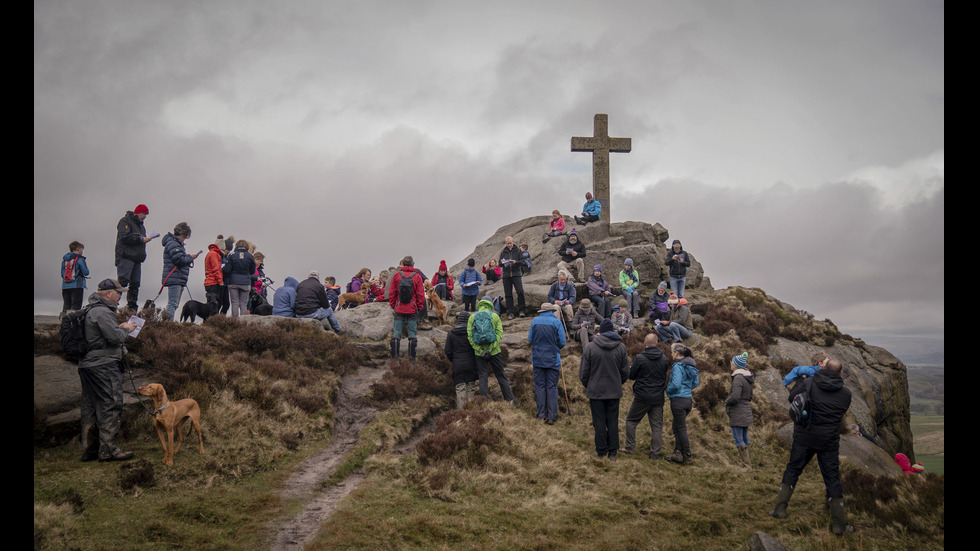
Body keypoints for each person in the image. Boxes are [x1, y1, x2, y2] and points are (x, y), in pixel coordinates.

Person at [770, 359, 854, 536]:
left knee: (793, 469)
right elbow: (839, 413)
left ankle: (779, 509)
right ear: (840, 373)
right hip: (828, 442)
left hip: (804, 436)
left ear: (823, 368)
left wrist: (801, 382)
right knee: (832, 479)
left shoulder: (809, 382)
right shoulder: (846, 394)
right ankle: (839, 525)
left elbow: (792, 398)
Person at [79, 279, 137, 462]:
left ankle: (89, 450)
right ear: (107, 293)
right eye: (118, 292)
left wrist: (117, 329)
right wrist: (126, 329)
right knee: (111, 404)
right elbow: (114, 338)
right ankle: (108, 451)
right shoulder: (103, 311)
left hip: (87, 365)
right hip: (103, 365)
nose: (120, 296)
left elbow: (104, 335)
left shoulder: (90, 310)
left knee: (90, 406)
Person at [579, 319, 629, 459]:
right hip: (614, 390)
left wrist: (589, 385)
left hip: (596, 391)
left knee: (599, 421)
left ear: (600, 331)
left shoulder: (589, 348)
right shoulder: (621, 347)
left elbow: (584, 373)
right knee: (612, 420)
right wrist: (618, 383)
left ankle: (601, 450)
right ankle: (613, 451)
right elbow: (625, 371)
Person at [622, 333, 669, 458]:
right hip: (658, 396)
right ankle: (655, 453)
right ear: (657, 343)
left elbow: (631, 375)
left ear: (644, 344)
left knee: (631, 421)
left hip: (642, 396)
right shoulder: (664, 358)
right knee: (657, 426)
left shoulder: (640, 358)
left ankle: (630, 447)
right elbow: (664, 375)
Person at [467, 297, 515, 402]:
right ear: (490, 304)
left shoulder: (472, 317)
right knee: (501, 376)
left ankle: (484, 402)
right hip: (494, 352)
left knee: (483, 377)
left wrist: (480, 350)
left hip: (479, 354)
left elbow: (470, 337)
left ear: (479, 304)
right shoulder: (495, 316)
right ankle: (510, 401)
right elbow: (499, 334)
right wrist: (490, 349)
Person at [529, 303, 567, 425]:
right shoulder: (557, 322)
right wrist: (555, 348)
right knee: (551, 387)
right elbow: (562, 341)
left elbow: (530, 339)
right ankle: (552, 416)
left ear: (541, 311)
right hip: (553, 359)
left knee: (540, 387)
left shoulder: (535, 321)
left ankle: (541, 415)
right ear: (552, 311)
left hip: (538, 359)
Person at [115, 204, 156, 311]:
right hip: (126, 257)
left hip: (137, 259)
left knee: (135, 285)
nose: (145, 216)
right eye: (144, 213)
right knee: (122, 283)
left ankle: (132, 309)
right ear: (137, 212)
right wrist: (140, 239)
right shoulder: (125, 221)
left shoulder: (141, 226)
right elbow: (124, 237)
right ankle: (112, 306)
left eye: (146, 214)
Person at [665, 343, 699, 464]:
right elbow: (696, 382)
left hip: (678, 400)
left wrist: (668, 391)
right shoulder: (690, 365)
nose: (671, 354)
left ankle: (687, 456)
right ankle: (677, 453)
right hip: (687, 400)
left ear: (677, 353)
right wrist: (687, 389)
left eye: (672, 352)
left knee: (681, 428)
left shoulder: (678, 366)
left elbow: (675, 384)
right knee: (676, 426)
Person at [389, 256, 426, 360]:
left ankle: (395, 358)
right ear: (413, 264)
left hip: (399, 308)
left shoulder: (397, 275)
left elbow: (392, 293)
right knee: (412, 333)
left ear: (403, 264)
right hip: (412, 309)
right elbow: (420, 295)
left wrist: (393, 305)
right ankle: (412, 359)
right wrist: (419, 307)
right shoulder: (417, 277)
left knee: (396, 333)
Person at [161, 222, 199, 321]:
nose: (185, 238)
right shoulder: (173, 244)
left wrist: (188, 257)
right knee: (173, 303)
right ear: (182, 234)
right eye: (185, 236)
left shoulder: (175, 244)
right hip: (175, 277)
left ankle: (168, 323)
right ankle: (168, 324)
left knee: (174, 303)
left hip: (177, 277)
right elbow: (179, 260)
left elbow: (178, 258)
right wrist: (190, 257)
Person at [726, 352, 755, 470]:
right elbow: (750, 397)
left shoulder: (738, 378)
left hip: (737, 412)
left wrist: (727, 401)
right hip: (746, 410)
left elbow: (735, 396)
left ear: (736, 365)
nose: (731, 364)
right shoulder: (748, 378)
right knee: (745, 438)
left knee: (738, 439)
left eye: (732, 362)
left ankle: (746, 466)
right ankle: (749, 464)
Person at [445, 311, 479, 409]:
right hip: (471, 364)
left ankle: (461, 415)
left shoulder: (451, 333)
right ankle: (471, 413)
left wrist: (454, 360)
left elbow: (447, 351)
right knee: (471, 388)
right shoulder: (472, 332)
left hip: (457, 365)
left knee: (460, 389)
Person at [223, 239, 256, 318]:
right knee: (243, 303)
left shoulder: (232, 255)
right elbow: (252, 271)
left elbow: (227, 269)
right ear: (246, 246)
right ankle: (243, 322)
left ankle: (234, 321)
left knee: (235, 303)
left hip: (233, 282)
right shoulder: (250, 256)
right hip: (246, 282)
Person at [499, 236, 526, 318]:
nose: (509, 245)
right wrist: (502, 262)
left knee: (520, 292)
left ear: (513, 242)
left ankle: (522, 311)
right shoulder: (503, 252)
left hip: (516, 274)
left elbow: (522, 261)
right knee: (508, 294)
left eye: (510, 243)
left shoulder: (518, 250)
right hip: (506, 275)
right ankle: (510, 313)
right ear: (506, 243)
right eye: (508, 243)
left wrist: (516, 262)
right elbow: (499, 264)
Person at [61, 241, 90, 315]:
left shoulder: (65, 260)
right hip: (77, 285)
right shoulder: (80, 259)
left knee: (66, 305)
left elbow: (62, 274)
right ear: (78, 248)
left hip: (65, 286)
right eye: (81, 250)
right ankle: (73, 324)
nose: (82, 252)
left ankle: (64, 321)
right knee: (75, 306)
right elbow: (86, 272)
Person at [203, 236, 227, 309]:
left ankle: (208, 319)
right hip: (213, 282)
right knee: (214, 305)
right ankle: (213, 319)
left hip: (209, 281)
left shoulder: (210, 253)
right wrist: (221, 282)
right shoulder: (214, 254)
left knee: (210, 304)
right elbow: (216, 269)